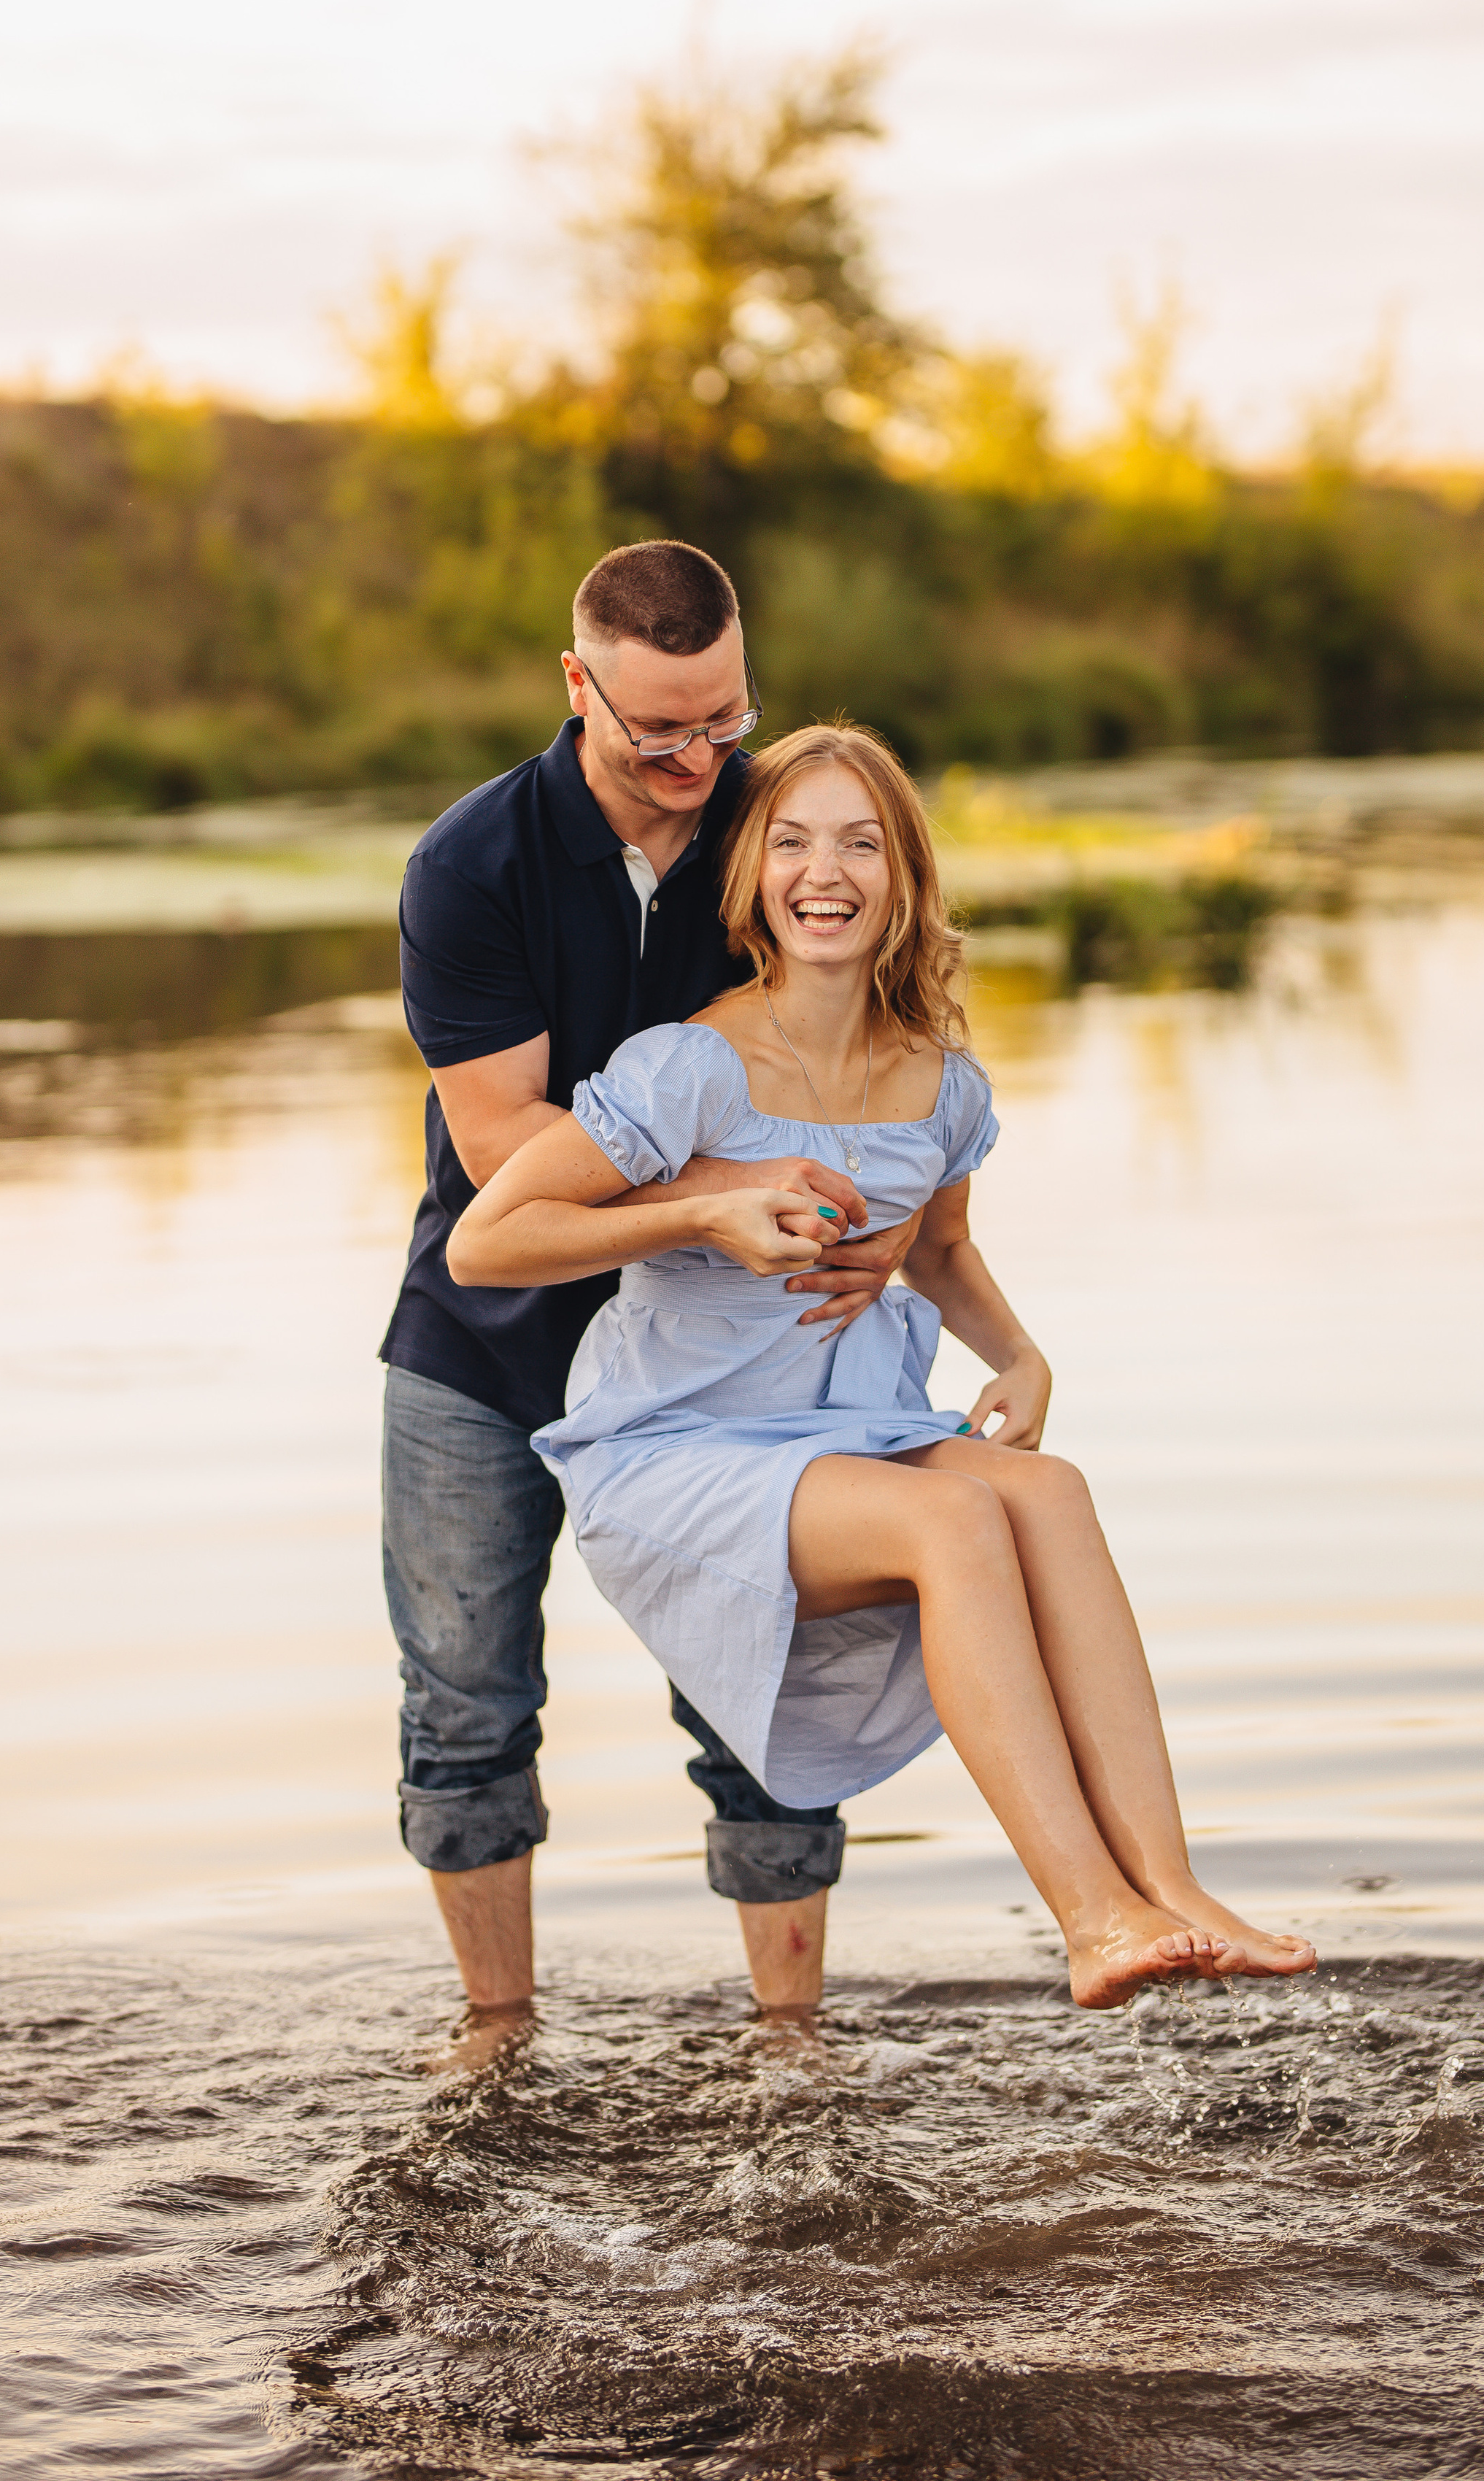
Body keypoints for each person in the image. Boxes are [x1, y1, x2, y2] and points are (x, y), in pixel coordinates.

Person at [449, 722, 1319, 2008]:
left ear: (905, 878)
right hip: (677, 1451)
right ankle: (1090, 1920)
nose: (826, 871)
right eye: (793, 841)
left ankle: (1171, 1889)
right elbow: (488, 1241)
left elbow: (945, 1249)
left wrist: (1019, 1357)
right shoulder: (689, 1066)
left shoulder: (942, 1086)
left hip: (846, 1432)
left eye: (862, 842)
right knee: (957, 1515)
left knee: (1052, 1490)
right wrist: (700, 1213)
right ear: (751, 879)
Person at [381, 543, 1035, 2021]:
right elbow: (505, 1163)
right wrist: (723, 1202)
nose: (695, 759)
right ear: (577, 684)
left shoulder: (772, 824)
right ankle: (496, 2046)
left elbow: (868, 1036)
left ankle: (788, 2054)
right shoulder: (470, 866)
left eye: (722, 720)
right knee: (466, 1702)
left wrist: (879, 1215)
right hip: (482, 1339)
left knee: (760, 1700)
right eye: (655, 730)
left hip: (731, 1353)